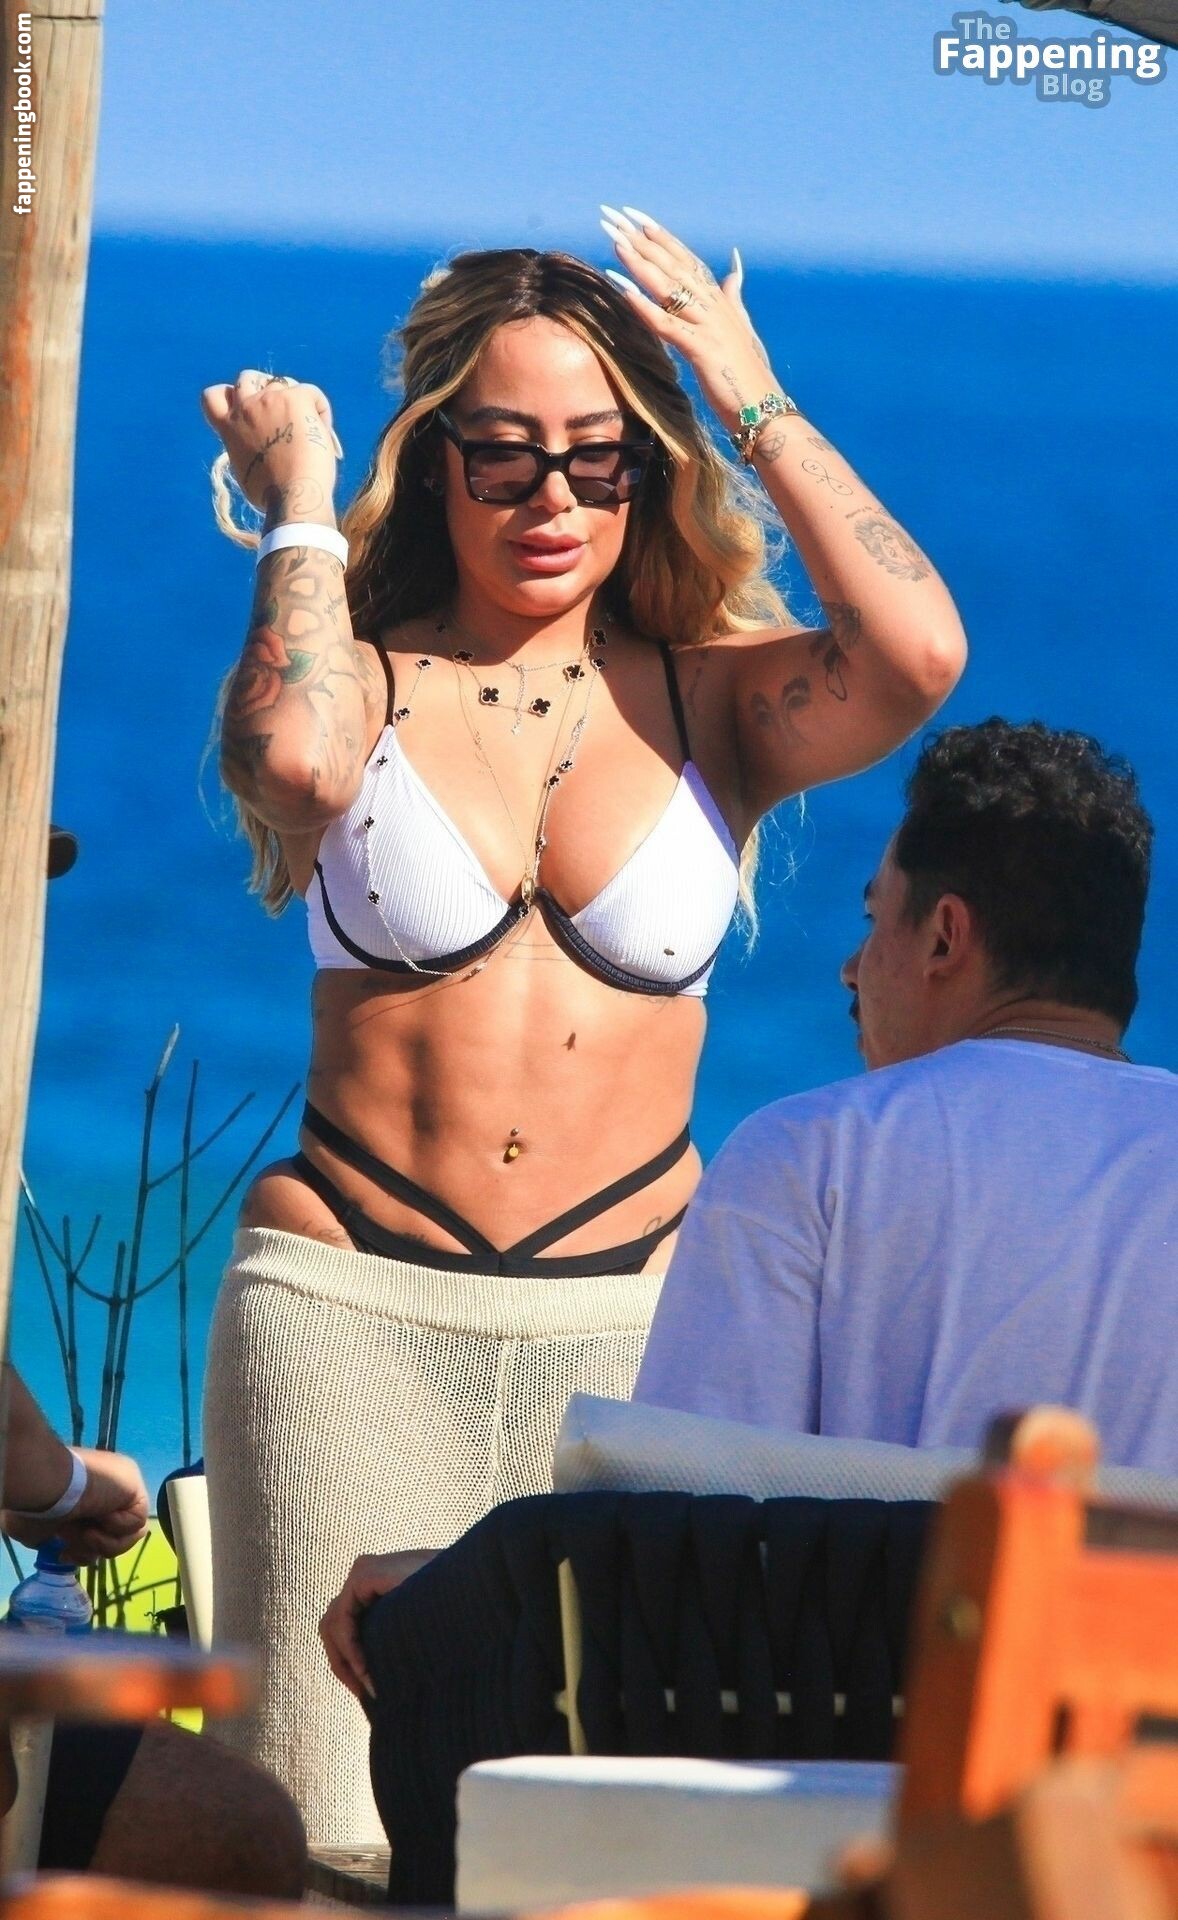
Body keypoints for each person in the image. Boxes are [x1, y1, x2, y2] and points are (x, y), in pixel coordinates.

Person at [198, 213, 967, 1841]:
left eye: (597, 458)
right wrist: (298, 504)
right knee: (305, 1829)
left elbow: (915, 653)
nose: (550, 499)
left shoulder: (716, 700)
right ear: (436, 464)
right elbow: (287, 763)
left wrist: (742, 385)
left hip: (636, 1342)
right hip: (348, 1306)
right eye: (501, 455)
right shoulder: (368, 683)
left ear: (646, 471)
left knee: (600, 1834)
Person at [632, 719, 1177, 1472]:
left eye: (873, 919)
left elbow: (682, 1503)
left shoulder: (807, 1156)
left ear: (945, 936)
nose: (851, 969)